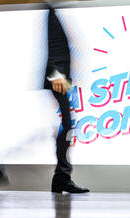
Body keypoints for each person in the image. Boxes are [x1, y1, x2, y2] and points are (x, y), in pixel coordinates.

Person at [44, 7, 89, 194]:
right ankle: (61, 177)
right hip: (55, 77)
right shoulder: (49, 12)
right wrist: (54, 73)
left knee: (67, 124)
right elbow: (44, 46)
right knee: (66, 124)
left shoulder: (56, 12)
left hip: (60, 78)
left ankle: (62, 177)